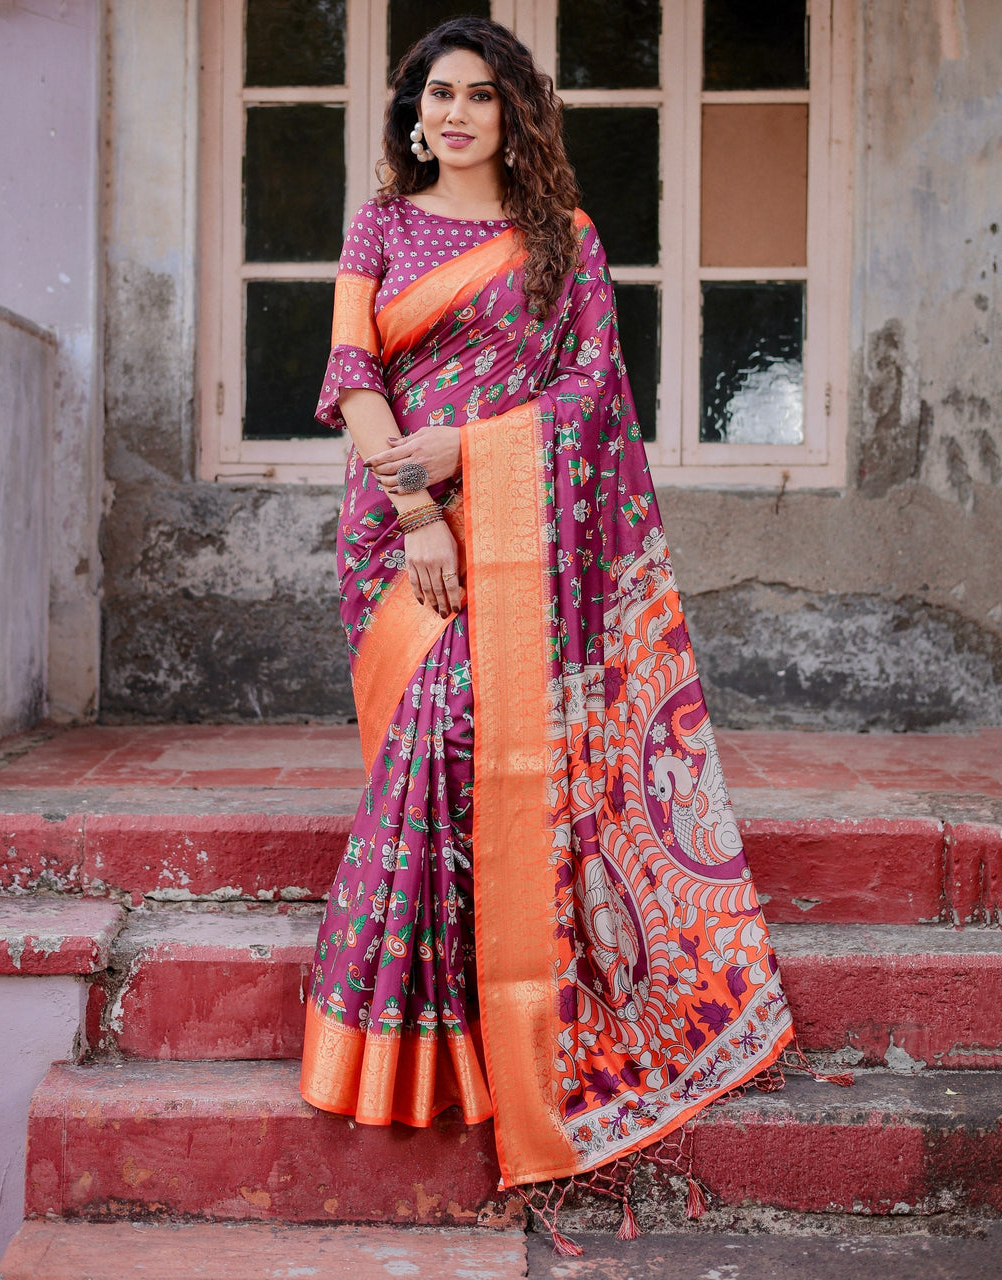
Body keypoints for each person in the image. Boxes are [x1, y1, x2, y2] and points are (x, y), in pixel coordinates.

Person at [300, 16, 838, 1251]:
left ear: (514, 113)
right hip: (404, 532)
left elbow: (592, 393)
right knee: (434, 736)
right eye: (435, 94)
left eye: (478, 96)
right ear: (412, 111)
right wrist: (421, 509)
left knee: (480, 752)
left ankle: (496, 1032)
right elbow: (352, 373)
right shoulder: (381, 224)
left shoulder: (565, 239)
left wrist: (475, 452)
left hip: (525, 536)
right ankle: (414, 1044)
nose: (452, 114)